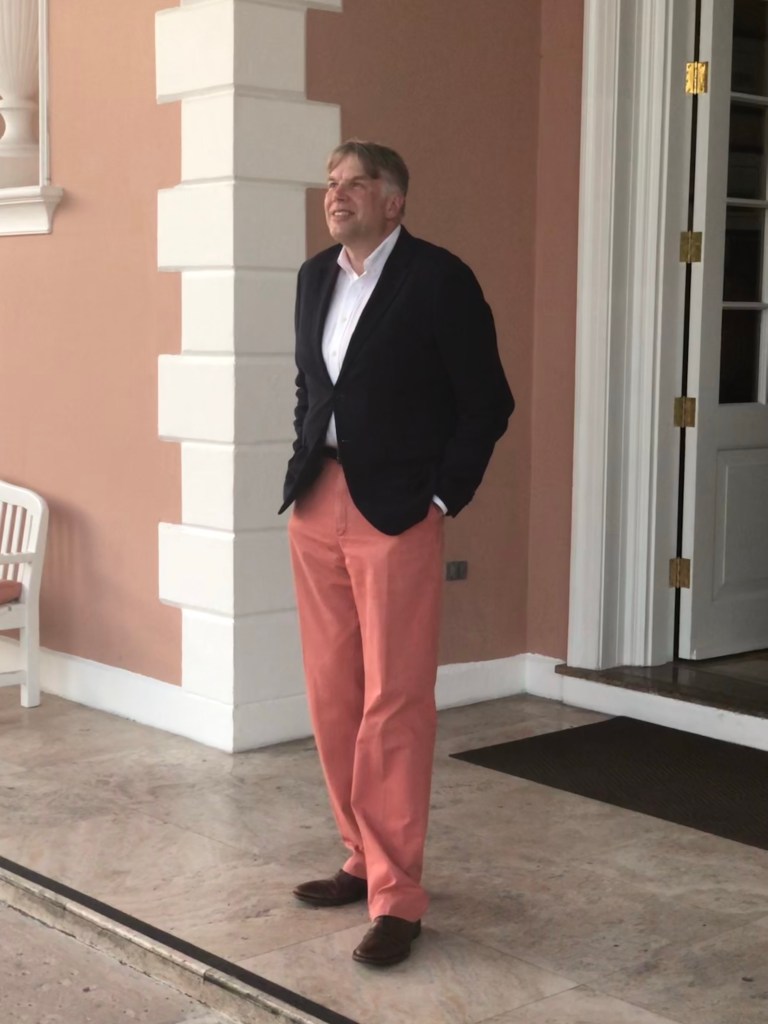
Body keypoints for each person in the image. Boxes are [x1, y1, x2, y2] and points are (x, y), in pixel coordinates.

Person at [280, 140, 513, 967]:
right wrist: (302, 459)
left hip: (398, 513)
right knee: (332, 694)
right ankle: (360, 856)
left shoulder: (439, 280)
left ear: (394, 201)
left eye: (356, 183)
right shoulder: (315, 277)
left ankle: (397, 897)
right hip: (319, 502)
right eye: (330, 182)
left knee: (396, 700)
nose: (336, 194)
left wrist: (442, 498)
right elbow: (313, 388)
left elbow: (487, 402)